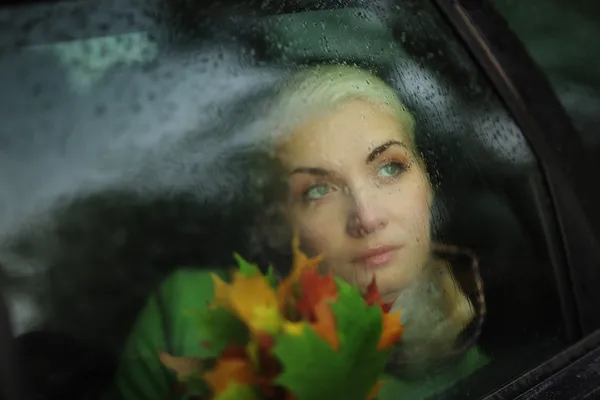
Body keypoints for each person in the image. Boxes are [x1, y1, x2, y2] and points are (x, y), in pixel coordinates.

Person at [106, 65, 488, 400]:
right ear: (275, 225)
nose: (367, 218)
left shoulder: (487, 369)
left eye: (390, 168)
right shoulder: (187, 313)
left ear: (427, 181)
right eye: (318, 191)